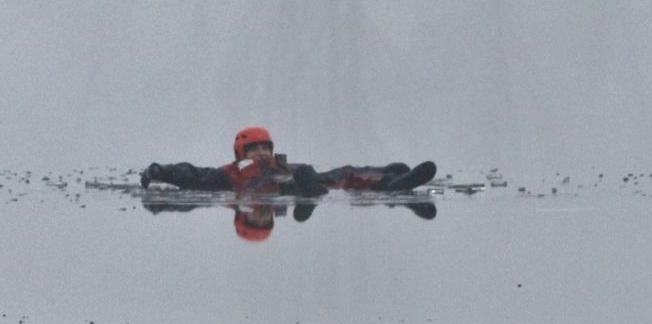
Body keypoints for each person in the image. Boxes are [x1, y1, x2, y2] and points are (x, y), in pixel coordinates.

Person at [141, 127, 435, 194]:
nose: (261, 154)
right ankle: (392, 185)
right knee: (303, 183)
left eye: (264, 148)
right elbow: (191, 174)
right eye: (255, 149)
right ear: (242, 152)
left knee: (343, 173)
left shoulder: (280, 163)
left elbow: (335, 173)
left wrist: (375, 170)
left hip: (302, 177)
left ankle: (390, 178)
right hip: (278, 188)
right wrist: (160, 171)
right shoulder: (229, 173)